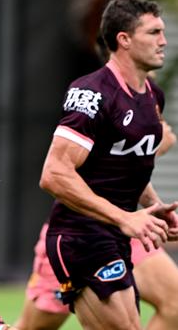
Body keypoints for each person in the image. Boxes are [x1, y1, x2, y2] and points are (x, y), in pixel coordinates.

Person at [14, 121, 178, 330]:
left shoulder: (147, 95)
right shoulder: (94, 94)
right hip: (79, 233)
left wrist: (157, 206)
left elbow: (129, 168)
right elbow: (65, 171)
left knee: (175, 304)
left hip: (128, 227)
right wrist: (151, 150)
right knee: (32, 327)